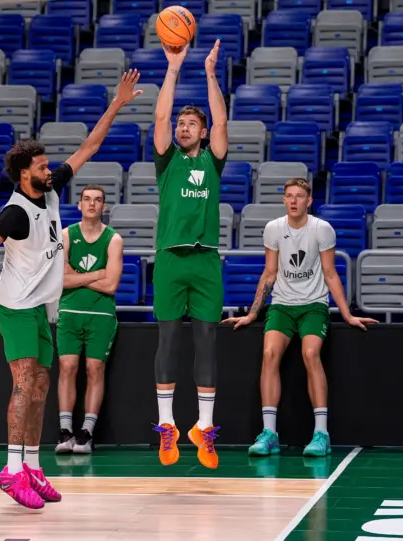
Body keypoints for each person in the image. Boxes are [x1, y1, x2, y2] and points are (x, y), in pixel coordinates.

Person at [0, 70, 143, 509]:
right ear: (25, 173)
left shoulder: (49, 191)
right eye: (44, 166)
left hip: (41, 307)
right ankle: (11, 470)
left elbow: (89, 148)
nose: (51, 169)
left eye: (49, 165)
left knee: (43, 386)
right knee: (25, 384)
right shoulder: (14, 213)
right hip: (14, 306)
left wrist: (118, 104)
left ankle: (32, 466)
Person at [222, 179, 378, 457]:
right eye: (289, 196)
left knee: (310, 354)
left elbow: (330, 274)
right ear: (284, 201)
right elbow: (269, 273)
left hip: (313, 306)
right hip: (281, 305)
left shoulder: (321, 229)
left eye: (299, 196)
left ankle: (321, 434)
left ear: (309, 201)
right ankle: (269, 434)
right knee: (269, 353)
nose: (293, 201)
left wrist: (347, 314)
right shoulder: (273, 229)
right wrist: (252, 314)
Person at [151, 40, 227, 470]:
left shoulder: (213, 163)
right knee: (168, 340)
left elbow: (222, 121)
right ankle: (167, 427)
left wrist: (212, 75)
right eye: (181, 122)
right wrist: (174, 69)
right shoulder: (167, 162)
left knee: (206, 342)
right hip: (170, 258)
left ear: (202, 131)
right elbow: (160, 115)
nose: (182, 127)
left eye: (190, 123)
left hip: (205, 259)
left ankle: (204, 429)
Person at [54, 185, 123, 455]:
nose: (92, 204)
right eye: (87, 200)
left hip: (101, 315)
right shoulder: (66, 235)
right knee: (67, 367)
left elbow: (112, 285)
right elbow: (59, 279)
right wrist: (97, 273)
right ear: (80, 205)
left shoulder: (114, 239)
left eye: (97, 200)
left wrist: (77, 276)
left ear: (103, 207)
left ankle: (87, 432)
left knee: (95, 370)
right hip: (70, 312)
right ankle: (65, 430)